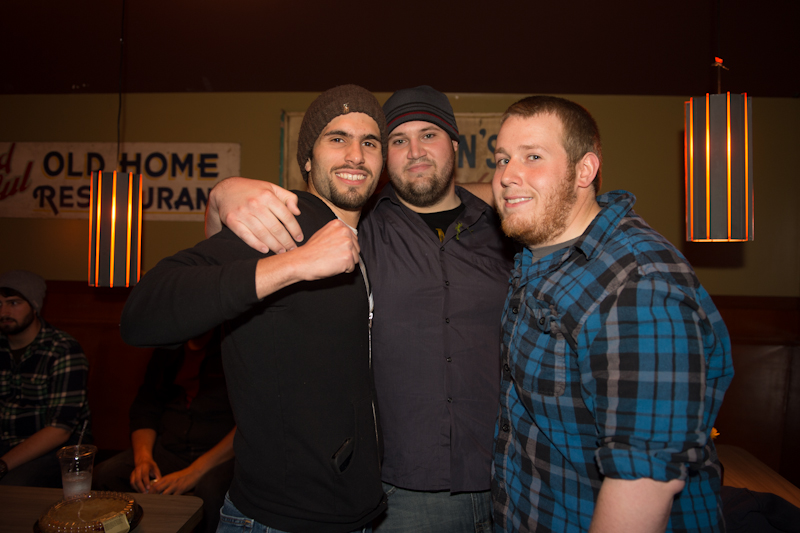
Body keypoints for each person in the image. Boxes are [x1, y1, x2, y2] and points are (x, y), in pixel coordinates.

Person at [205, 86, 516, 532]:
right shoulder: (352, 228)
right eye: (396, 140)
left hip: (507, 482)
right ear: (383, 158)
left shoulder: (507, 229)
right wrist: (225, 192)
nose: (415, 152)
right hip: (401, 491)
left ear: (455, 144)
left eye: (429, 135)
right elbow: (232, 248)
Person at [120, 84, 387, 533]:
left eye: (370, 142)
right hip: (277, 521)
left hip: (358, 512)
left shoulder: (375, 236)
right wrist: (292, 264)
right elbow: (142, 312)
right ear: (308, 159)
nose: (356, 155)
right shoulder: (277, 221)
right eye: (337, 138)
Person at [490, 95, 734, 532]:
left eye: (533, 157)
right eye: (503, 158)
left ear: (585, 170)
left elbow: (643, 484)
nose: (509, 175)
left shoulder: (640, 283)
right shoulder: (537, 257)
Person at [93, 328, 235, 533]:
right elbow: (145, 408)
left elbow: (248, 423)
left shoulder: (231, 343)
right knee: (106, 475)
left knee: (211, 491)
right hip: (170, 447)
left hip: (219, 455)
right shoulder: (169, 345)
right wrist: (143, 459)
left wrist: (193, 473)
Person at [0, 269, 91, 486]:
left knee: (11, 490)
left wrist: (3, 464)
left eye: (14, 303)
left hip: (53, 451)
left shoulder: (62, 349)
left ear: (34, 305)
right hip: (4, 443)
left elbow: (59, 430)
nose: (4, 312)